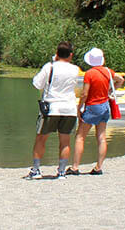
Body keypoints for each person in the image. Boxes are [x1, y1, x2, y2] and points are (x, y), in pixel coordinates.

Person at [25, 41, 81, 180]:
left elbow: (37, 84)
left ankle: (36, 170)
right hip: (69, 108)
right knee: (65, 140)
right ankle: (61, 172)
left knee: (41, 138)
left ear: (56, 54)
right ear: (71, 55)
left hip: (52, 107)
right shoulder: (75, 69)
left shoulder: (50, 67)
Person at [68, 47, 124, 176]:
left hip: (93, 106)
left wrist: (79, 107)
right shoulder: (108, 71)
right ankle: (98, 167)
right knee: (101, 137)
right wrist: (111, 90)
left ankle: (75, 167)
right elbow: (121, 79)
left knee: (80, 136)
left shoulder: (90, 74)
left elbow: (85, 94)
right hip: (105, 106)